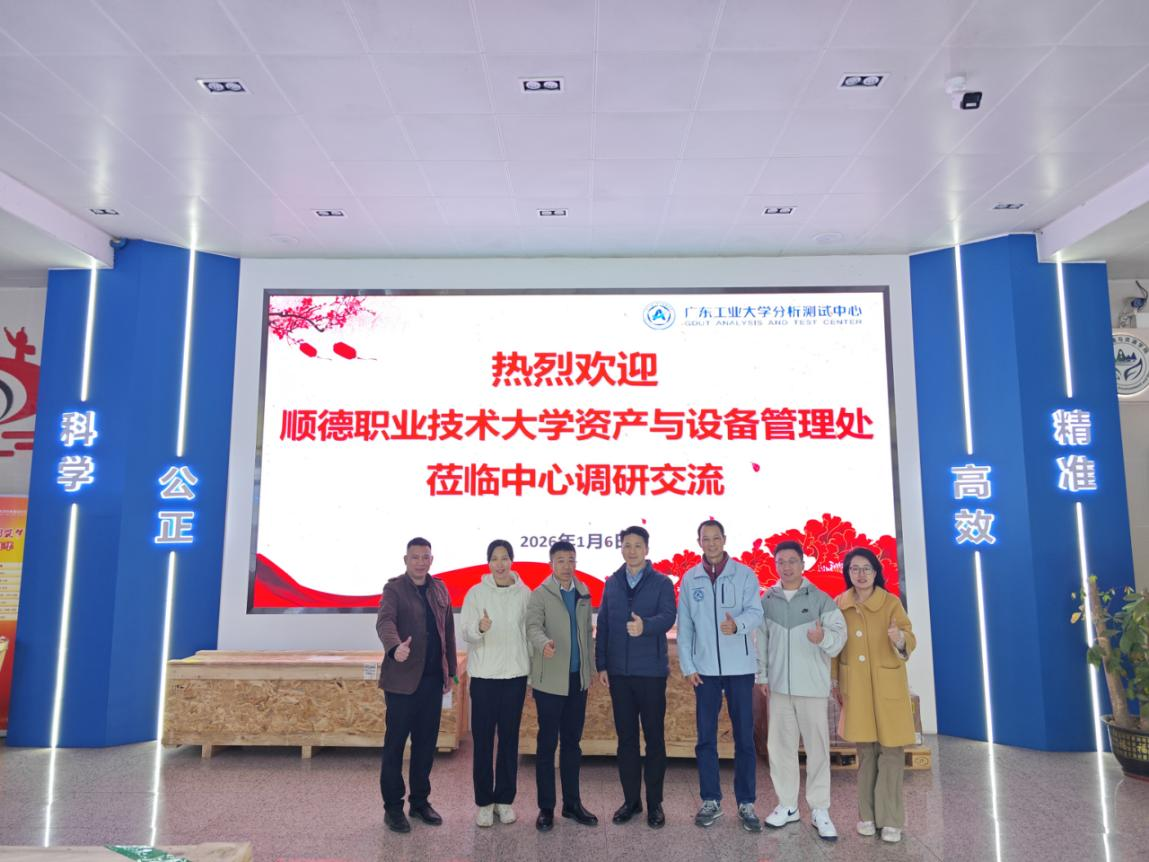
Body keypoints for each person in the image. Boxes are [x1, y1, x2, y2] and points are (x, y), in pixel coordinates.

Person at [677, 519, 765, 832]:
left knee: (744, 737)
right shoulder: (691, 579)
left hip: (740, 669)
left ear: (724, 539)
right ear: (698, 542)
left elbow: (756, 612)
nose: (711, 543)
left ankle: (746, 802)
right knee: (705, 738)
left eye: (716, 538)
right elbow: (685, 625)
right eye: (706, 539)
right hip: (705, 673)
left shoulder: (744, 574)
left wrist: (738, 625)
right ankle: (710, 800)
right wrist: (688, 666)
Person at [757, 540, 846, 841]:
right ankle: (788, 805)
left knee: (818, 750)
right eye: (780, 561)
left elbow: (839, 638)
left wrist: (822, 638)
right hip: (779, 689)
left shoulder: (821, 599)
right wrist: (762, 676)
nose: (786, 566)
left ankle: (820, 809)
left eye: (792, 561)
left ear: (803, 564)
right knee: (780, 748)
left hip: (812, 688)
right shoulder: (768, 600)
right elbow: (761, 641)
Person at [831, 547, 917, 845]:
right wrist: (834, 680)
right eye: (854, 568)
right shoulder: (839, 605)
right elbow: (835, 648)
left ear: (876, 571)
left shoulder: (891, 603)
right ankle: (866, 816)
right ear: (848, 573)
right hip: (856, 687)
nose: (861, 574)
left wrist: (899, 638)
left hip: (887, 686)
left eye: (866, 568)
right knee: (866, 752)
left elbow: (909, 638)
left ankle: (891, 819)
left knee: (891, 751)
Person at [595, 525, 677, 829]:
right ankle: (631, 801)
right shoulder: (612, 583)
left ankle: (655, 804)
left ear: (647, 549)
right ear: (621, 549)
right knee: (626, 740)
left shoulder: (662, 582)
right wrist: (602, 664)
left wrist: (647, 626)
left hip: (651, 673)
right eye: (627, 545)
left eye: (637, 545)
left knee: (654, 739)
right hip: (619, 674)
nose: (632, 551)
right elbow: (604, 624)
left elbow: (669, 616)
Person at [376, 537, 457, 833]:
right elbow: (385, 621)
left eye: (425, 557)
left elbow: (448, 632)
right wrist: (394, 646)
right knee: (395, 746)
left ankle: (420, 802)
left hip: (432, 682)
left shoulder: (440, 589)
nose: (420, 562)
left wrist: (451, 672)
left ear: (431, 560)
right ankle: (393, 808)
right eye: (415, 557)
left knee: (425, 746)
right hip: (402, 683)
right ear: (406, 560)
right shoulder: (394, 589)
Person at [525, 540, 598, 832]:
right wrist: (543, 643)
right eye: (561, 561)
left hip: (577, 679)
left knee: (572, 744)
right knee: (547, 745)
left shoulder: (583, 592)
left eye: (571, 560)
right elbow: (532, 627)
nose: (567, 566)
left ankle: (572, 804)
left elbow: (587, 633)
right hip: (550, 681)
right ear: (551, 564)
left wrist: (590, 669)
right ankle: (546, 808)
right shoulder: (540, 594)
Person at [459, 539, 531, 827]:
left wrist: (531, 673)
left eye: (504, 558)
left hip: (514, 676)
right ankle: (484, 803)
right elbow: (465, 631)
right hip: (484, 677)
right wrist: (479, 627)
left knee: (509, 740)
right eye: (494, 559)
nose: (500, 564)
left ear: (512, 561)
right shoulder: (476, 593)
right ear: (488, 563)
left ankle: (504, 800)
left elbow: (529, 635)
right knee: (483, 741)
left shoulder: (524, 593)